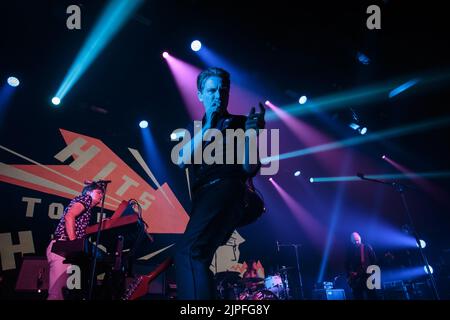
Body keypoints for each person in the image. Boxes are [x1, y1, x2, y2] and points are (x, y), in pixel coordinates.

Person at [174, 67, 266, 299]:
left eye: (222, 90)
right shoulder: (194, 130)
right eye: (211, 90)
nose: (217, 95)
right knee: (198, 256)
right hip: (204, 198)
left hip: (226, 189)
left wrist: (252, 136)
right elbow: (182, 161)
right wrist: (207, 128)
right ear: (200, 95)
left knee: (189, 253)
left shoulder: (241, 123)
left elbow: (249, 168)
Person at [46, 181, 105, 300]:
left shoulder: (86, 209)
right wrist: (73, 244)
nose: (101, 197)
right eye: (98, 193)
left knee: (65, 295)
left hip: (65, 250)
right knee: (57, 295)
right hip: (62, 249)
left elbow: (80, 228)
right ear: (88, 192)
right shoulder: (86, 199)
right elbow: (69, 216)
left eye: (102, 194)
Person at [345, 232, 378, 300]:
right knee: (358, 297)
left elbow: (374, 261)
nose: (356, 242)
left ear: (360, 238)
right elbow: (346, 264)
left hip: (368, 276)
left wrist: (374, 276)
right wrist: (349, 275)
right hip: (356, 279)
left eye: (357, 240)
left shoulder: (366, 247)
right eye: (354, 241)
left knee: (372, 296)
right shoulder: (350, 251)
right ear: (351, 241)